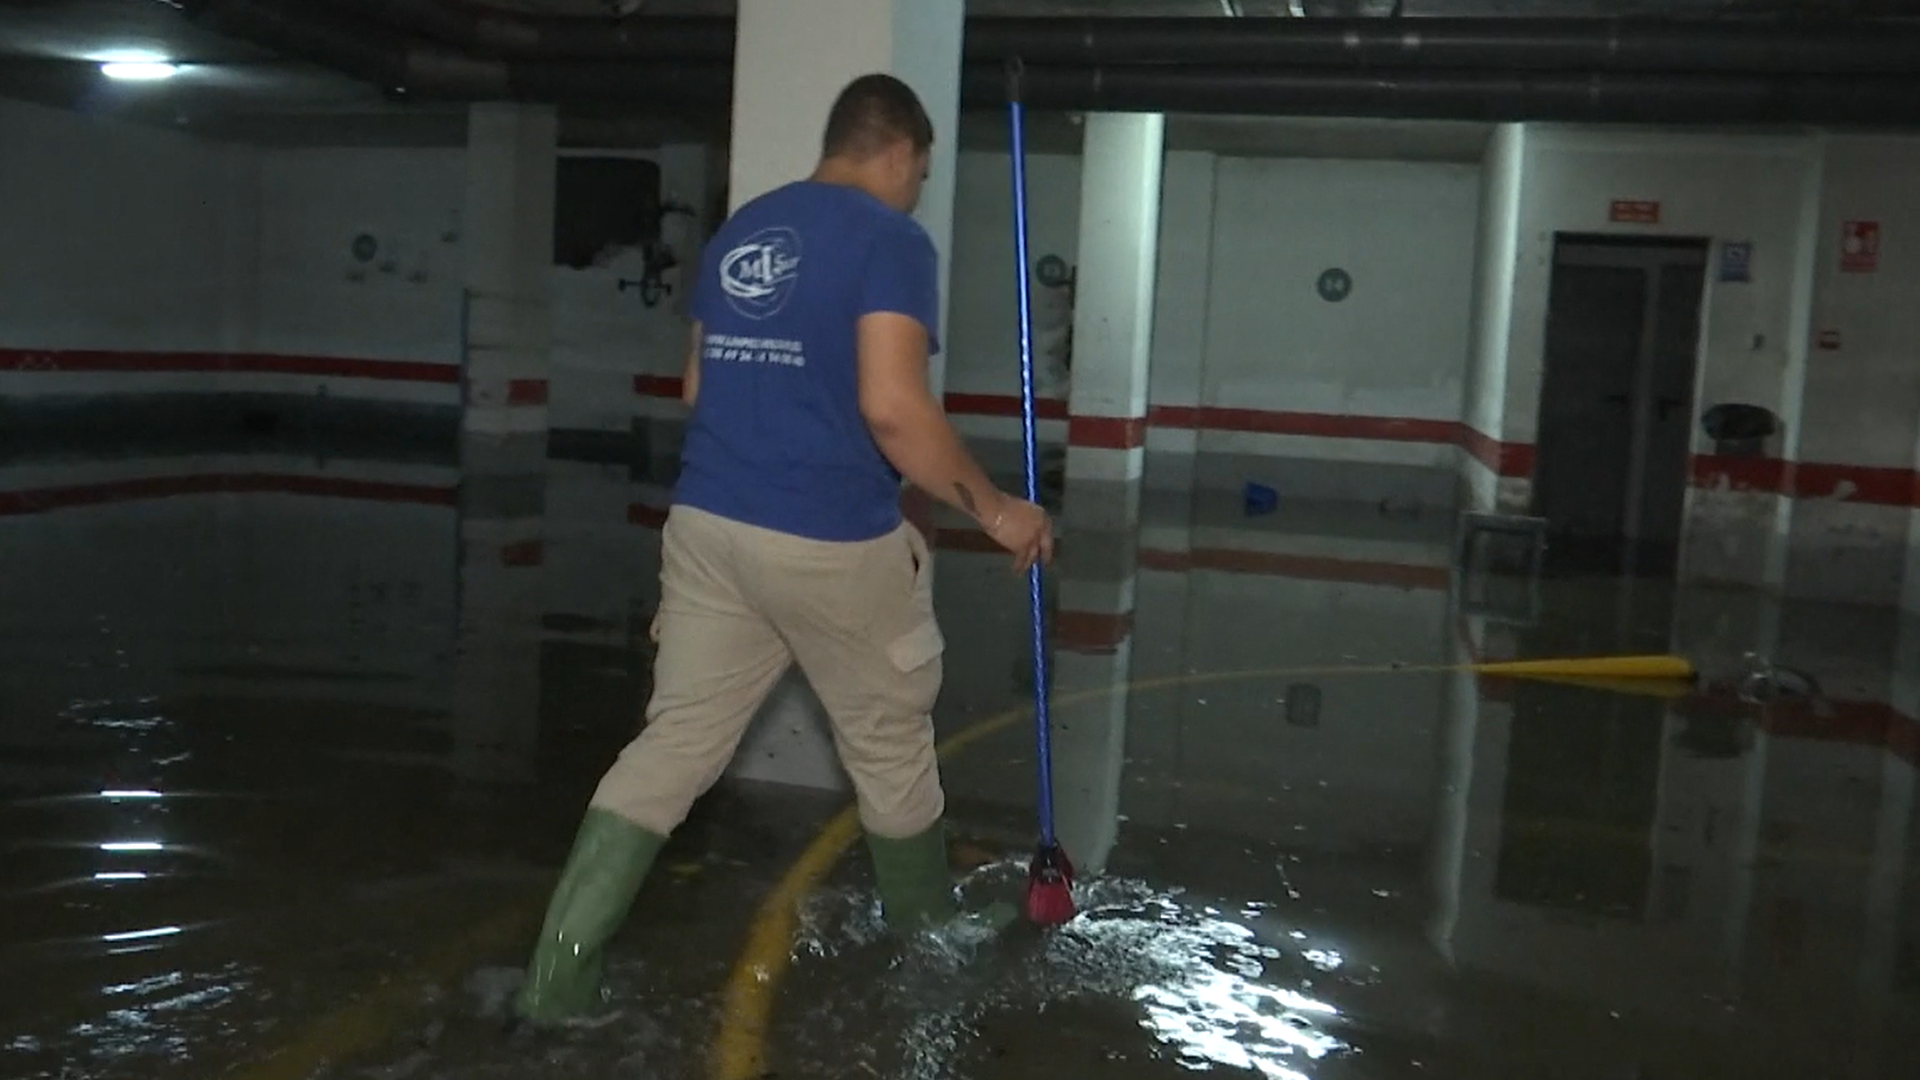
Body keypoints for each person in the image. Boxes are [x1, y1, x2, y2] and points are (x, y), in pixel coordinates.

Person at [513, 72, 1055, 1026]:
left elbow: (694, 390)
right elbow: (892, 407)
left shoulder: (741, 232)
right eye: (920, 173)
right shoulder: (890, 240)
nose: (916, 191)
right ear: (895, 151)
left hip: (709, 527)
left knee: (674, 744)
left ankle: (557, 978)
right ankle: (930, 947)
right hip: (829, 536)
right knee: (889, 747)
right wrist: (996, 508)